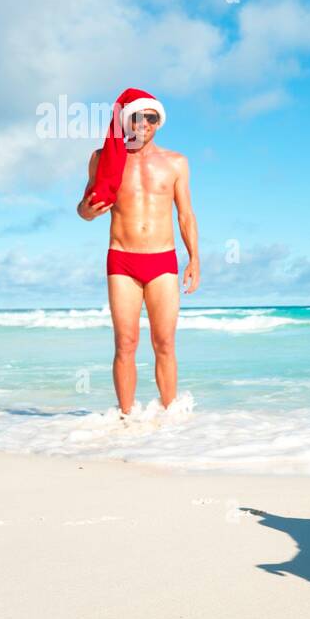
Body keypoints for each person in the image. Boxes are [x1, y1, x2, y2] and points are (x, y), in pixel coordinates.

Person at [77, 89, 199, 414]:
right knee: (126, 344)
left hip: (163, 260)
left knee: (164, 344)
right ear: (125, 120)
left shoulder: (176, 163)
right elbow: (83, 208)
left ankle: (170, 416)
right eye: (137, 116)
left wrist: (194, 259)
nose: (144, 123)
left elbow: (185, 214)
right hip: (122, 259)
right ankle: (126, 419)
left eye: (151, 117)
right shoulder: (103, 159)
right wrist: (87, 211)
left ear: (158, 122)